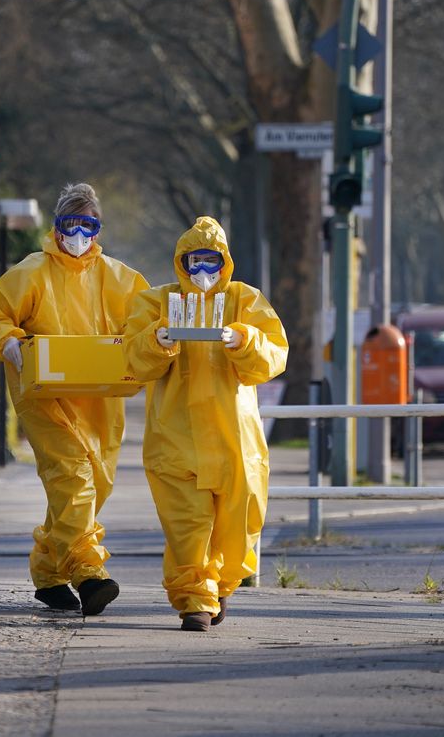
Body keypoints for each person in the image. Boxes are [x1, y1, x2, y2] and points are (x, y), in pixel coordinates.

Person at [0, 183, 149, 615]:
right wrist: (9, 341)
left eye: (87, 225)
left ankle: (49, 571)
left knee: (93, 485)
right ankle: (89, 573)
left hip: (101, 402)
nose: (78, 235)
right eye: (70, 224)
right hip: (44, 397)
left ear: (98, 228)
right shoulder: (29, 273)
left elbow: (148, 320)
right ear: (56, 227)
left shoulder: (120, 277)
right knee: (73, 480)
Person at [123, 216, 288, 631]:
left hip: (234, 437)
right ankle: (196, 599)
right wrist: (155, 341)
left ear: (224, 262)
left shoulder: (244, 301)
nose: (202, 271)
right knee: (187, 523)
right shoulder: (156, 303)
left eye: (210, 261)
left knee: (241, 521)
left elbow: (274, 356)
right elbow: (131, 357)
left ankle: (220, 583)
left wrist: (245, 341)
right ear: (181, 261)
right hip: (175, 436)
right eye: (194, 261)